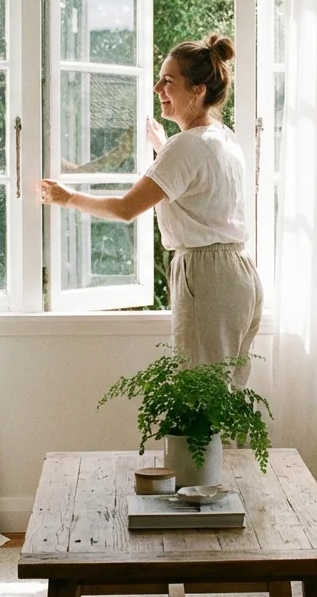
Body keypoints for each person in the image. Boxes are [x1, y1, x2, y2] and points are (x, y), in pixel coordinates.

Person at [40, 34, 263, 388]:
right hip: (239, 274)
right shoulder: (224, 136)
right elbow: (198, 184)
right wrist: (162, 144)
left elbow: (126, 208)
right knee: (226, 393)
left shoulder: (185, 147)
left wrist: (68, 197)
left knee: (197, 394)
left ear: (198, 90)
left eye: (168, 81)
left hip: (207, 275)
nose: (158, 88)